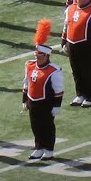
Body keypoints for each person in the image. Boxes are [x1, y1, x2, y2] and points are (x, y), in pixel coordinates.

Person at [23, 19, 62, 161]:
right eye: (36, 56)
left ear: (46, 56)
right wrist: (24, 99)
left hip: (46, 102)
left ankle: (49, 149)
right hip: (33, 101)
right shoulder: (29, 65)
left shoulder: (54, 70)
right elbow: (26, 82)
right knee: (35, 125)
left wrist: (57, 105)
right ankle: (38, 147)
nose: (37, 58)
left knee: (47, 126)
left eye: (40, 56)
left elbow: (58, 89)